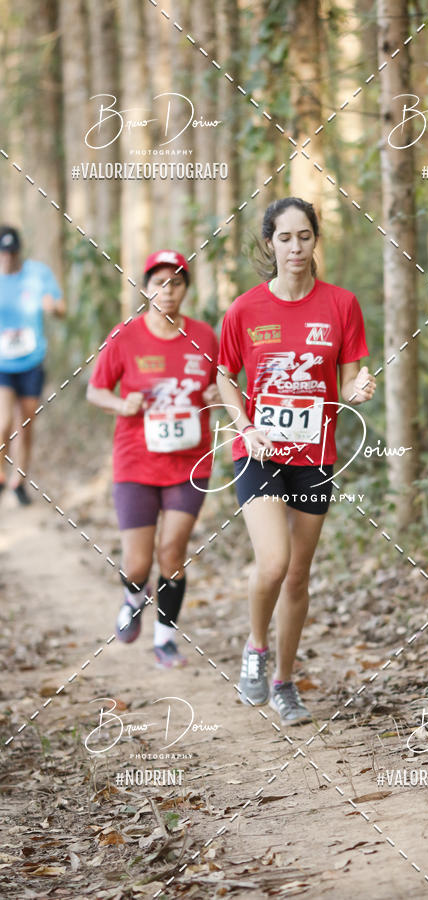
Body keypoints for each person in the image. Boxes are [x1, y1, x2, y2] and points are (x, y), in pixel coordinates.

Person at [217, 197, 376, 724]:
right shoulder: (244, 310)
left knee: (299, 577)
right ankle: (255, 648)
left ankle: (284, 681)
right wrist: (245, 426)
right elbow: (225, 375)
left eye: (304, 236)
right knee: (274, 562)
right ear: (270, 243)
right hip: (259, 451)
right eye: (284, 238)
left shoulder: (341, 304)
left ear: (315, 240)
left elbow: (353, 371)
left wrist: (359, 387)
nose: (295, 247)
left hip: (315, 454)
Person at [87, 250, 219, 668]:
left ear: (186, 289)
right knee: (137, 563)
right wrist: (119, 404)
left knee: (172, 552)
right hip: (136, 463)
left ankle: (165, 639)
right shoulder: (125, 335)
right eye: (159, 282)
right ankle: (133, 595)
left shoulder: (204, 335)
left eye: (176, 283)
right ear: (146, 289)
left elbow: (220, 386)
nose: (168, 291)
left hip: (189, 462)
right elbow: (95, 390)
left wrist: (217, 395)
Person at [0, 226, 65, 505]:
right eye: (3, 254)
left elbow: (62, 308)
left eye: (12, 253)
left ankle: (19, 481)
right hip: (2, 362)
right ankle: (1, 475)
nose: (8, 259)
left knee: (25, 424)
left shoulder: (38, 274)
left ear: (19, 252)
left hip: (31, 361)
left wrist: (53, 308)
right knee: (3, 421)